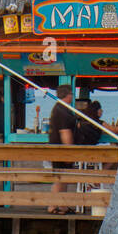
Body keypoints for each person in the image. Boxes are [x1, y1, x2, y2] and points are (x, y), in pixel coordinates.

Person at [47, 84, 78, 213]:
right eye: (71, 94)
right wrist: (69, 152)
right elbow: (65, 132)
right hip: (61, 150)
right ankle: (53, 205)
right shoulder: (62, 111)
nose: (72, 96)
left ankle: (62, 205)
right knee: (59, 177)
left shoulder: (60, 109)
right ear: (68, 95)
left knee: (64, 177)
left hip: (59, 148)